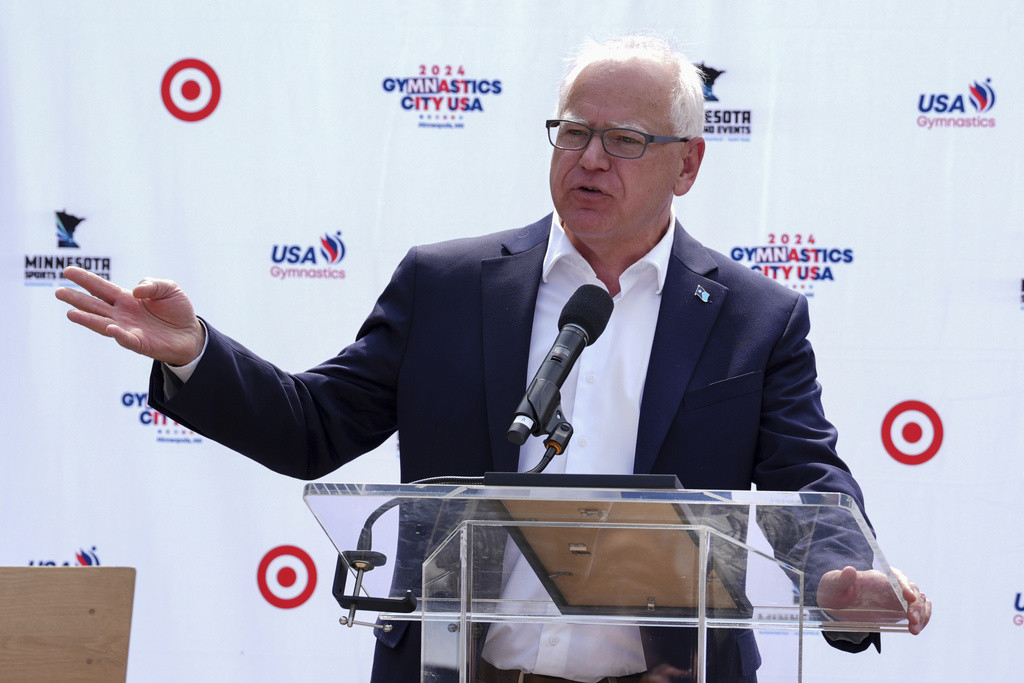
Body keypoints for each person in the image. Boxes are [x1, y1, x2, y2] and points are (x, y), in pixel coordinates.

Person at [57, 34, 929, 683]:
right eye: (573, 132)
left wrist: (842, 579)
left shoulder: (756, 317)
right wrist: (196, 355)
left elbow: (808, 479)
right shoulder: (445, 284)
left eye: (625, 140)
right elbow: (313, 427)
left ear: (688, 164)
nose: (590, 159)